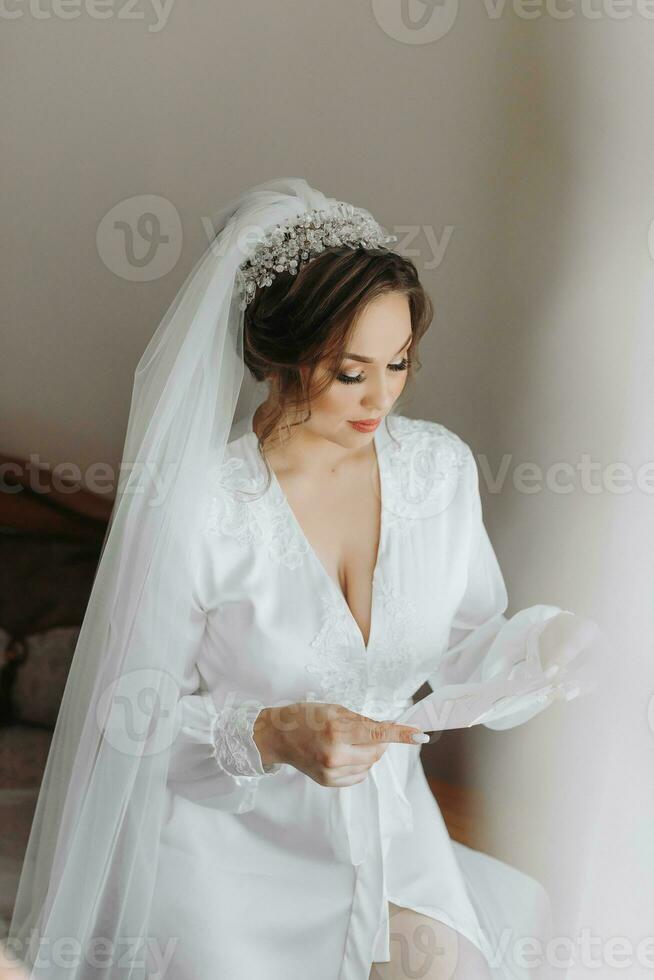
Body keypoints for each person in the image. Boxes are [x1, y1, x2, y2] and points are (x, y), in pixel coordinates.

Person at [8, 178, 598, 980]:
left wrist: (547, 640)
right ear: (282, 357)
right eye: (351, 372)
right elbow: (130, 717)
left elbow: (470, 642)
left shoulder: (438, 470)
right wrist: (267, 734)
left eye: (399, 363)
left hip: (394, 832)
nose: (382, 397)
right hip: (231, 863)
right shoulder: (201, 509)